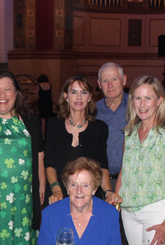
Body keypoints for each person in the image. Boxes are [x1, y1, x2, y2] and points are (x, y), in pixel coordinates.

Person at [111, 75, 165, 245]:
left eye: (148, 98)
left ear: (159, 100)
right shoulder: (130, 132)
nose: (142, 104)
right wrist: (116, 204)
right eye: (137, 98)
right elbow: (124, 171)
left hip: (159, 211)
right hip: (129, 212)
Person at [0, 70, 46, 245]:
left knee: (26, 241)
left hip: (25, 196)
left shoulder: (31, 120)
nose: (2, 95)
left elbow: (39, 153)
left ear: (16, 93)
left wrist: (41, 184)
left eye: (8, 89)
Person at [44, 75, 115, 205]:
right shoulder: (54, 125)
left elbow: (102, 166)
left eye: (83, 92)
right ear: (66, 96)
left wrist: (108, 192)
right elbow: (49, 163)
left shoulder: (100, 128)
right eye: (73, 92)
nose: (78, 97)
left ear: (89, 97)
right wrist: (56, 189)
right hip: (58, 196)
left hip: (88, 199)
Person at [36, 157, 124, 245]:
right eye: (73, 185)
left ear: (94, 189)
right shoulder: (50, 214)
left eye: (85, 185)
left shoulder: (109, 214)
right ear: (67, 188)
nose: (79, 191)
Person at [96, 62, 132, 245]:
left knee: (127, 239)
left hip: (129, 184)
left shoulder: (138, 106)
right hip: (101, 185)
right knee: (104, 238)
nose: (110, 85)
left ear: (124, 80)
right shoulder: (92, 111)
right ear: (99, 84)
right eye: (105, 81)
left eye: (114, 79)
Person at [35, 73, 54, 139]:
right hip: (49, 103)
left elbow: (36, 97)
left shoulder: (38, 86)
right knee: (50, 121)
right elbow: (52, 96)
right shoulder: (50, 85)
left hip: (42, 104)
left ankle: (43, 137)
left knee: (43, 122)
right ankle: (50, 136)